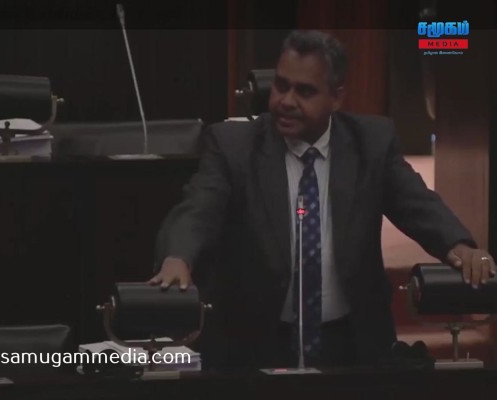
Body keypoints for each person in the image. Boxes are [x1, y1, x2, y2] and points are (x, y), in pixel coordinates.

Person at [149, 30, 496, 369]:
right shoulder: (233, 146)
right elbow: (198, 209)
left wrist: (459, 246)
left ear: (336, 97)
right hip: (254, 342)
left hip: (351, 342)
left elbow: (417, 204)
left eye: (305, 91)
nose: (286, 101)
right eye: (281, 85)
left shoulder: (371, 142)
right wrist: (178, 257)